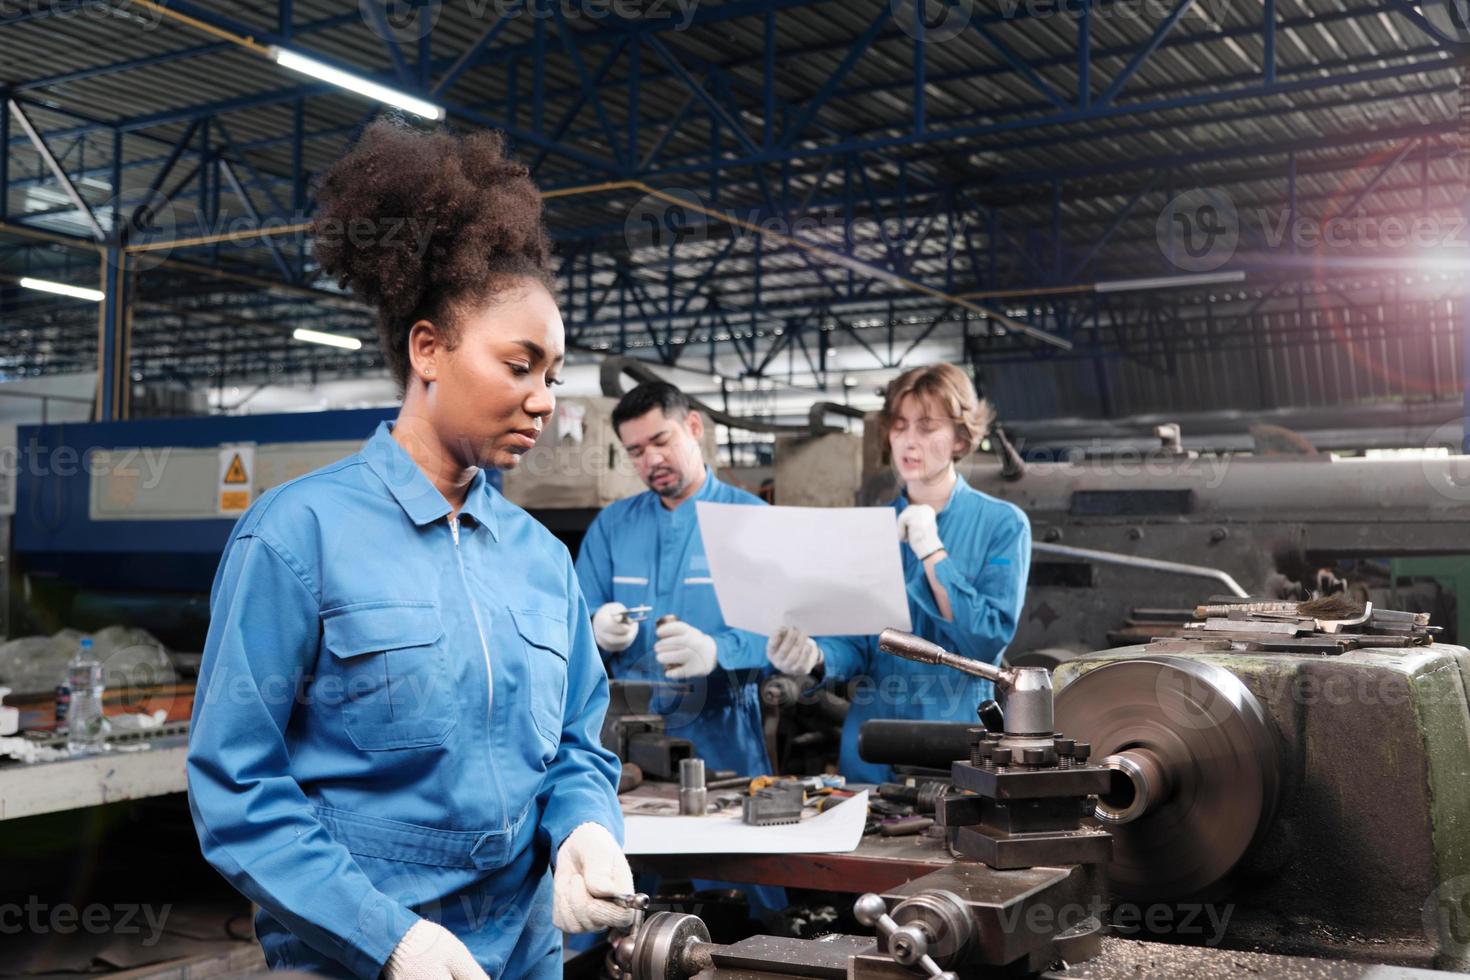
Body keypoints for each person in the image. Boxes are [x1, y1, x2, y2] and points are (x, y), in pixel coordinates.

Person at [186, 121, 632, 980]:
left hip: (527, 952)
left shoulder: (542, 559)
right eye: (520, 364)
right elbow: (236, 786)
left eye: (555, 373)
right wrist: (386, 938)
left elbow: (579, 744)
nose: (544, 401)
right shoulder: (297, 537)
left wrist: (584, 826)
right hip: (355, 958)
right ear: (428, 349)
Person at [765, 363, 1031, 784]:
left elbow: (985, 638)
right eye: (900, 426)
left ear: (961, 437)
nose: (909, 441)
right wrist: (814, 657)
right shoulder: (868, 529)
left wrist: (932, 551)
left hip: (956, 741)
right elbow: (856, 646)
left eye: (927, 427)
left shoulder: (1003, 524)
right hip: (872, 743)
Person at [574, 381, 770, 778]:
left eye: (661, 440)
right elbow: (573, 618)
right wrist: (595, 626)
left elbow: (782, 634)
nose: (652, 459)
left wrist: (718, 651)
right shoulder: (613, 525)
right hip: (627, 733)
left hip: (722, 732)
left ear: (694, 427)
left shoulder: (753, 520)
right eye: (636, 452)